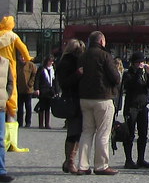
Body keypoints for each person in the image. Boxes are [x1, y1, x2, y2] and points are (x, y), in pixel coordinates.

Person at [76, 31, 122, 175]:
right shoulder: (105, 56)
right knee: (103, 133)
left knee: (86, 132)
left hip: (85, 98)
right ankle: (101, 165)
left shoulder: (83, 56)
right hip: (103, 97)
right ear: (101, 41)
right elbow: (115, 77)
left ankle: (83, 165)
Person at [0, 16, 32, 153]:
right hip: (9, 70)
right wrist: (28, 58)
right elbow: (23, 49)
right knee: (11, 104)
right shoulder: (13, 36)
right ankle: (10, 141)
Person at [120, 52, 149, 169]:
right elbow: (133, 85)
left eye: (142, 62)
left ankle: (141, 159)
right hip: (131, 107)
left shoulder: (145, 74)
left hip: (143, 107)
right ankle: (128, 160)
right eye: (138, 62)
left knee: (143, 134)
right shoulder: (128, 74)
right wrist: (139, 71)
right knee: (129, 134)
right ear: (134, 63)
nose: (141, 64)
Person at [56, 39, 85, 173]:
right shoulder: (67, 63)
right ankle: (70, 161)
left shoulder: (70, 61)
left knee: (77, 132)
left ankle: (69, 160)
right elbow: (64, 83)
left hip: (77, 99)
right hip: (72, 100)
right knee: (74, 132)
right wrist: (77, 74)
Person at [0, 54, 13, 182]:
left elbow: (10, 82)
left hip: (0, 107)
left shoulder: (5, 62)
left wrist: (5, 96)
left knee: (0, 140)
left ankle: (1, 171)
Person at [35, 55, 57, 129]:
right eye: (50, 61)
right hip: (43, 90)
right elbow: (37, 79)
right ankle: (41, 124)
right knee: (42, 107)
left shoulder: (52, 69)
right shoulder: (41, 68)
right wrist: (37, 89)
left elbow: (54, 81)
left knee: (48, 108)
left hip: (50, 91)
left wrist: (56, 91)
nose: (51, 63)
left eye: (52, 61)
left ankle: (47, 124)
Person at [17, 54, 37, 129]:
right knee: (20, 107)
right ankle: (20, 122)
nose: (22, 58)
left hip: (28, 89)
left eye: (23, 57)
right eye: (21, 57)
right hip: (20, 89)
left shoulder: (31, 65)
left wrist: (30, 83)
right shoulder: (17, 65)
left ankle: (28, 122)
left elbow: (34, 75)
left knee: (28, 106)